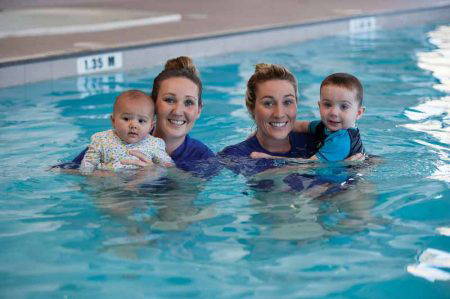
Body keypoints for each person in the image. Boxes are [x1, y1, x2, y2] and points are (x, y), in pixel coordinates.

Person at [56, 56, 217, 178]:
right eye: (169, 100)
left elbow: (197, 192)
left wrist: (164, 173)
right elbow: (61, 171)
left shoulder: (203, 157)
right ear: (153, 104)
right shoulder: (113, 141)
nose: (178, 110)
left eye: (189, 102)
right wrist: (101, 176)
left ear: (198, 110)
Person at [251, 72, 365, 162]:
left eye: (344, 106)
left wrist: (269, 157)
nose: (334, 112)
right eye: (327, 104)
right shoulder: (324, 126)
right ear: (319, 106)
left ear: (358, 113)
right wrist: (265, 130)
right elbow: (301, 126)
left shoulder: (341, 140)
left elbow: (309, 165)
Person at [79, 90, 173, 174]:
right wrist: (90, 174)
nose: (134, 125)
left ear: (151, 126)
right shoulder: (101, 140)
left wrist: (155, 169)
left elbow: (169, 167)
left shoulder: (154, 144)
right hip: (109, 187)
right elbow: (88, 164)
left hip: (140, 188)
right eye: (126, 118)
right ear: (113, 121)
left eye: (141, 121)